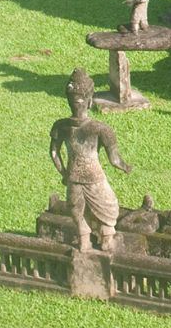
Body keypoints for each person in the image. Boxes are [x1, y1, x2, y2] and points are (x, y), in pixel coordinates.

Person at [49, 69, 132, 250]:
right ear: (90, 100)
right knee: (109, 210)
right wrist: (126, 167)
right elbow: (115, 160)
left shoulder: (61, 126)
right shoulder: (101, 129)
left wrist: (64, 172)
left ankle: (84, 242)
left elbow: (54, 153)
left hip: (73, 177)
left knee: (78, 213)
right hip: (94, 177)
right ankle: (106, 240)